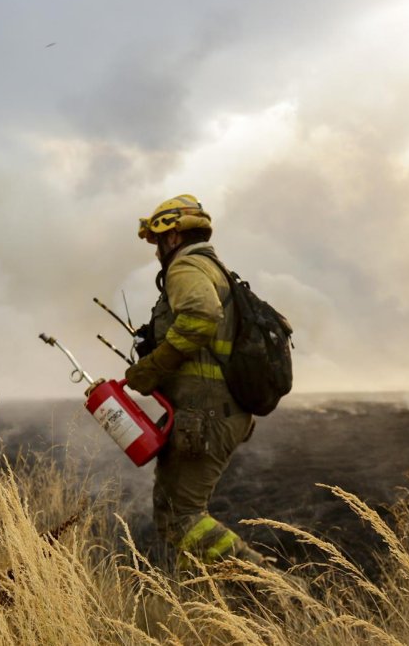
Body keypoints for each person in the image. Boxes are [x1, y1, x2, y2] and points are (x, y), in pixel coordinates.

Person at [124, 194, 267, 572]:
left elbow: (201, 316)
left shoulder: (185, 267)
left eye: (158, 241)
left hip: (205, 414)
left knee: (180, 518)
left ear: (173, 236)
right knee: (183, 517)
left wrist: (153, 366)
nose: (156, 251)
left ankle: (272, 590)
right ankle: (208, 594)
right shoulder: (214, 268)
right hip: (217, 411)